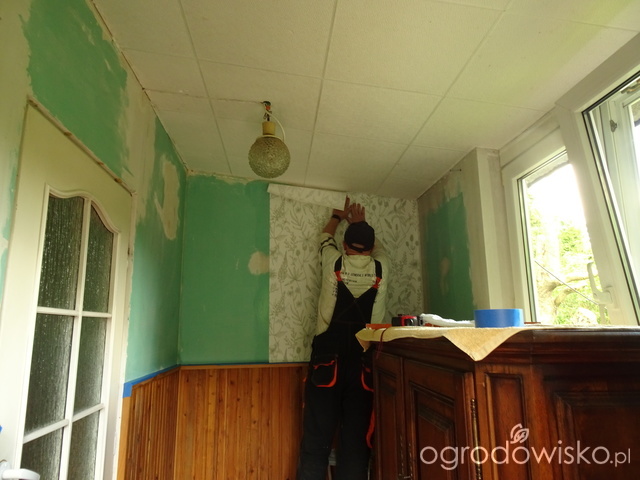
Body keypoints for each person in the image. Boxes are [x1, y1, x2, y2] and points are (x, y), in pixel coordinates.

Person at [296, 197, 390, 480]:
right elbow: (380, 249)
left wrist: (338, 217)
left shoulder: (333, 261)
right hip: (362, 364)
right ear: (370, 249)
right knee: (356, 444)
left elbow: (325, 237)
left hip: (328, 361)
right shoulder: (382, 268)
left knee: (316, 440)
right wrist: (362, 223)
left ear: (345, 246)